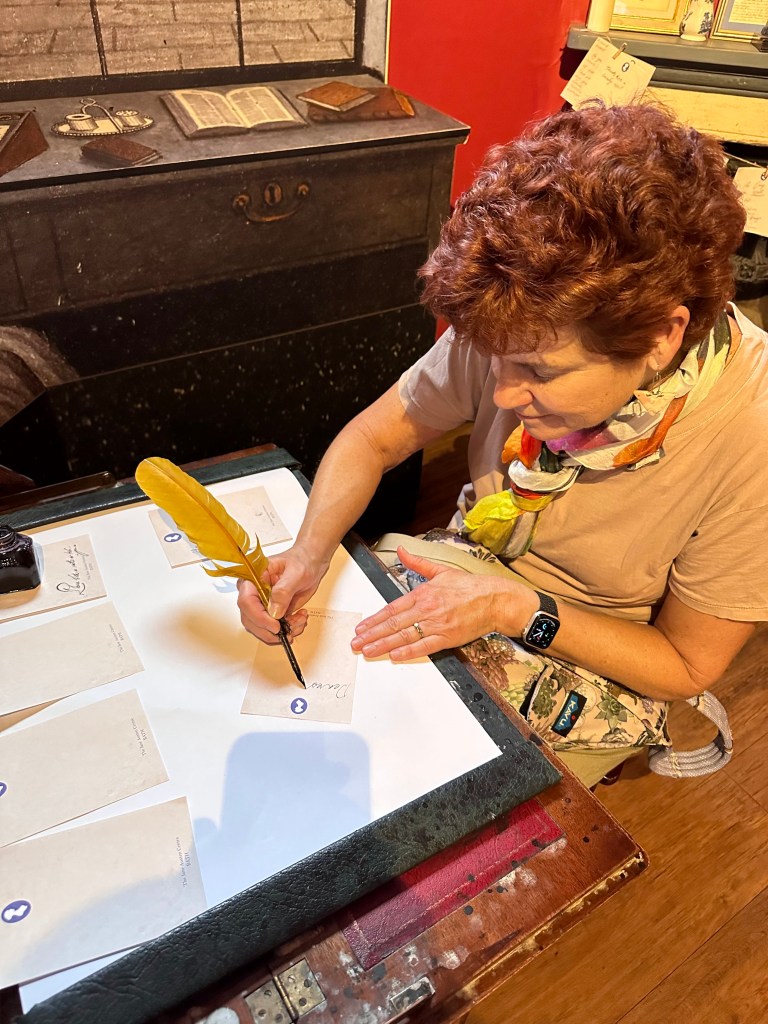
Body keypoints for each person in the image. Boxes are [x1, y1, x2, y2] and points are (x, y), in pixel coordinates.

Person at [238, 103, 768, 787]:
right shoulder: (516, 319)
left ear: (661, 338)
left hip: (594, 644)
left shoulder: (751, 431)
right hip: (468, 564)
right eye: (495, 359)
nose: (504, 392)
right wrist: (308, 554)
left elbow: (685, 665)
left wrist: (510, 607)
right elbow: (373, 437)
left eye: (540, 373)